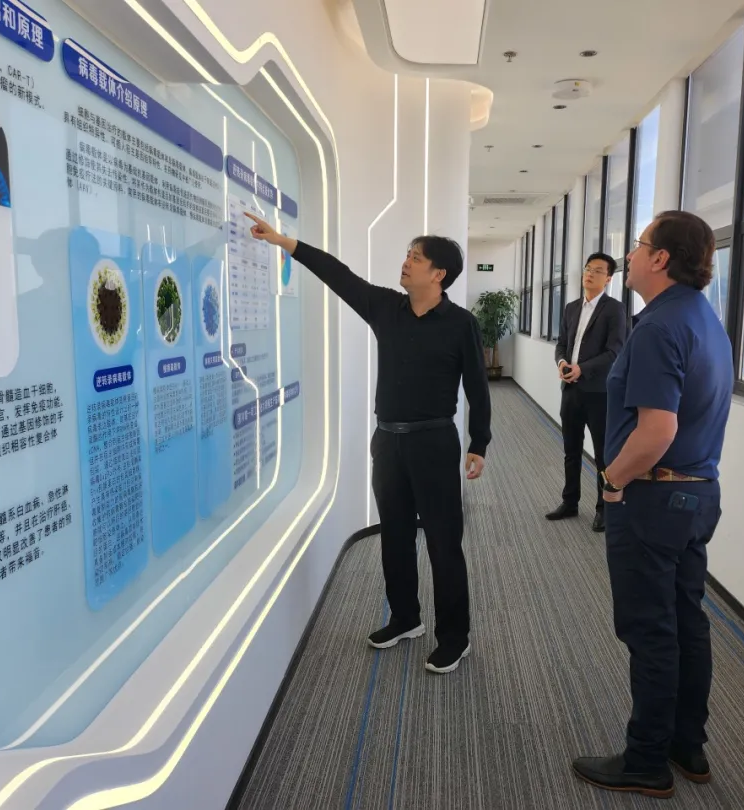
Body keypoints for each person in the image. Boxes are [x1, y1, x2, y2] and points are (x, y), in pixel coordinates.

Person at [245, 213, 491, 675]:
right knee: (394, 535)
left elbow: (478, 388)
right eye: (407, 255)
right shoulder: (385, 307)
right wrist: (284, 241)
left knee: (443, 543)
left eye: (415, 258)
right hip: (389, 443)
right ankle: (405, 618)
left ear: (438, 274)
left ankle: (455, 638)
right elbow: (338, 275)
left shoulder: (461, 324)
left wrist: (479, 442)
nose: (406, 263)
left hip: (435, 443)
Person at [572, 211, 733, 798]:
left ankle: (645, 759)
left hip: (654, 496)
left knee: (650, 630)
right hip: (697, 495)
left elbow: (656, 430)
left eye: (639, 245)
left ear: (661, 258)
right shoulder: (704, 319)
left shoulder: (659, 326)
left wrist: (611, 480)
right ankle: (687, 745)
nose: (631, 256)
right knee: (686, 621)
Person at [547, 252, 625, 532]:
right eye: (588, 269)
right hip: (570, 390)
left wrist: (583, 369)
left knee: (603, 454)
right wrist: (562, 363)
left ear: (609, 278)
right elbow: (561, 344)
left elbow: (615, 351)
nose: (590, 274)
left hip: (599, 393)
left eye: (597, 270)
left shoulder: (614, 309)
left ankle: (604, 509)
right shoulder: (571, 308)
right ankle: (570, 502)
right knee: (571, 450)